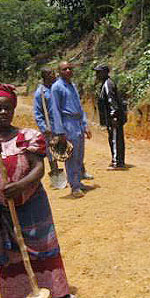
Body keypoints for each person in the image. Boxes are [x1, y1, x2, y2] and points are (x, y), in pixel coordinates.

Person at [0, 83, 82, 298]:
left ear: (14, 108)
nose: (3, 113)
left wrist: (20, 186)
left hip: (32, 205)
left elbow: (38, 169)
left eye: (7, 108)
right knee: (12, 254)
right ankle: (21, 297)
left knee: (43, 248)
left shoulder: (28, 136)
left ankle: (59, 294)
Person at [50, 61, 92, 198]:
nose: (68, 71)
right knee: (71, 156)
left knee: (80, 155)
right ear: (59, 72)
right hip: (67, 124)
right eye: (64, 69)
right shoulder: (56, 88)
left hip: (78, 122)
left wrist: (85, 125)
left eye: (69, 68)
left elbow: (80, 107)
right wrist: (60, 132)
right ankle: (74, 186)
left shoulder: (72, 86)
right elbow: (55, 110)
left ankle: (78, 181)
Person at [94, 64, 127, 170]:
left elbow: (111, 101)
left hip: (114, 118)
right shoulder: (106, 84)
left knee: (115, 139)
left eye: (99, 72)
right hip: (113, 118)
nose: (97, 75)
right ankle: (118, 160)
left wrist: (114, 116)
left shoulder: (108, 84)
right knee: (116, 138)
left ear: (105, 73)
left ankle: (117, 162)